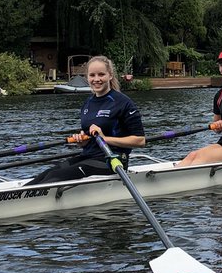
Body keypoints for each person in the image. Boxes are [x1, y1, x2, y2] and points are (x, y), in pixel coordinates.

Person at [29, 55, 145, 184]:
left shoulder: (123, 102)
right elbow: (89, 138)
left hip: (112, 160)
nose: (96, 79)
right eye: (92, 75)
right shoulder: (88, 103)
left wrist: (105, 139)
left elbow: (140, 140)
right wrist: (82, 141)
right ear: (87, 78)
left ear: (110, 76)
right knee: (45, 175)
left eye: (101, 74)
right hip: (88, 156)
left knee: (55, 176)